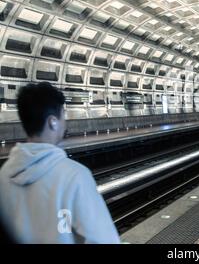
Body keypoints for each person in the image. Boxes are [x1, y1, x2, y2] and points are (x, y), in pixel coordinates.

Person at [0, 82, 120, 244]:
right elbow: (104, 240)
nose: (65, 121)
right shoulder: (75, 176)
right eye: (63, 115)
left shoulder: (4, 175)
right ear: (52, 122)